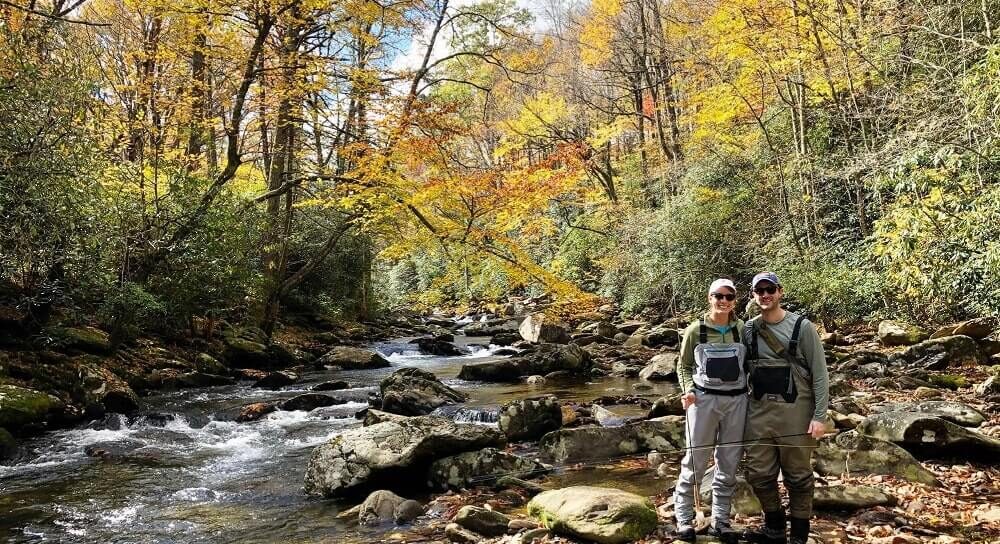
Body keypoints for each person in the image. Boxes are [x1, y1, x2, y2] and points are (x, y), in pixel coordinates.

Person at [742, 272, 830, 544]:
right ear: (754, 295)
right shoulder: (748, 329)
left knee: (798, 476)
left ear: (780, 292)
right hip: (758, 414)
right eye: (760, 291)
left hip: (796, 413)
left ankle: (800, 535)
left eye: (770, 290)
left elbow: (820, 374)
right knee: (758, 473)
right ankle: (775, 527)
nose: (765, 295)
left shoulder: (803, 328)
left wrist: (819, 417)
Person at [673, 278, 748, 544]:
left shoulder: (742, 329)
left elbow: (751, 365)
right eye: (719, 296)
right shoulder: (696, 330)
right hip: (703, 402)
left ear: (734, 301)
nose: (723, 301)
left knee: (728, 464)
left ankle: (721, 521)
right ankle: (683, 519)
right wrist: (688, 390)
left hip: (737, 402)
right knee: (694, 461)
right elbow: (683, 366)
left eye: (729, 297)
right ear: (710, 298)